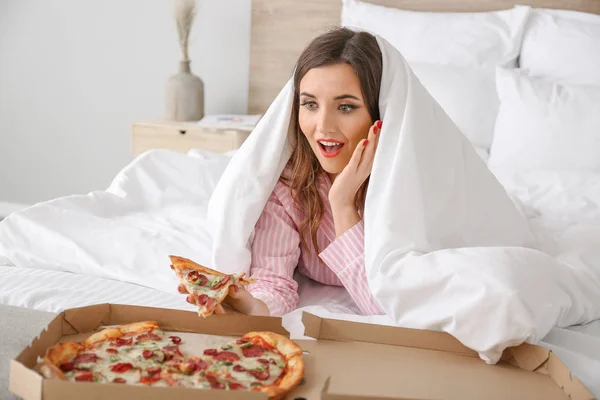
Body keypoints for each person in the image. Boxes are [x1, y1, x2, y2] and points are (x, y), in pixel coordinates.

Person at [181, 27, 386, 316]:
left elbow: (385, 308)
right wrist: (251, 305)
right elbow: (273, 283)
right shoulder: (288, 185)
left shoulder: (402, 185)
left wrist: (342, 203)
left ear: (378, 113)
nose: (323, 126)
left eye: (346, 106)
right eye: (310, 104)